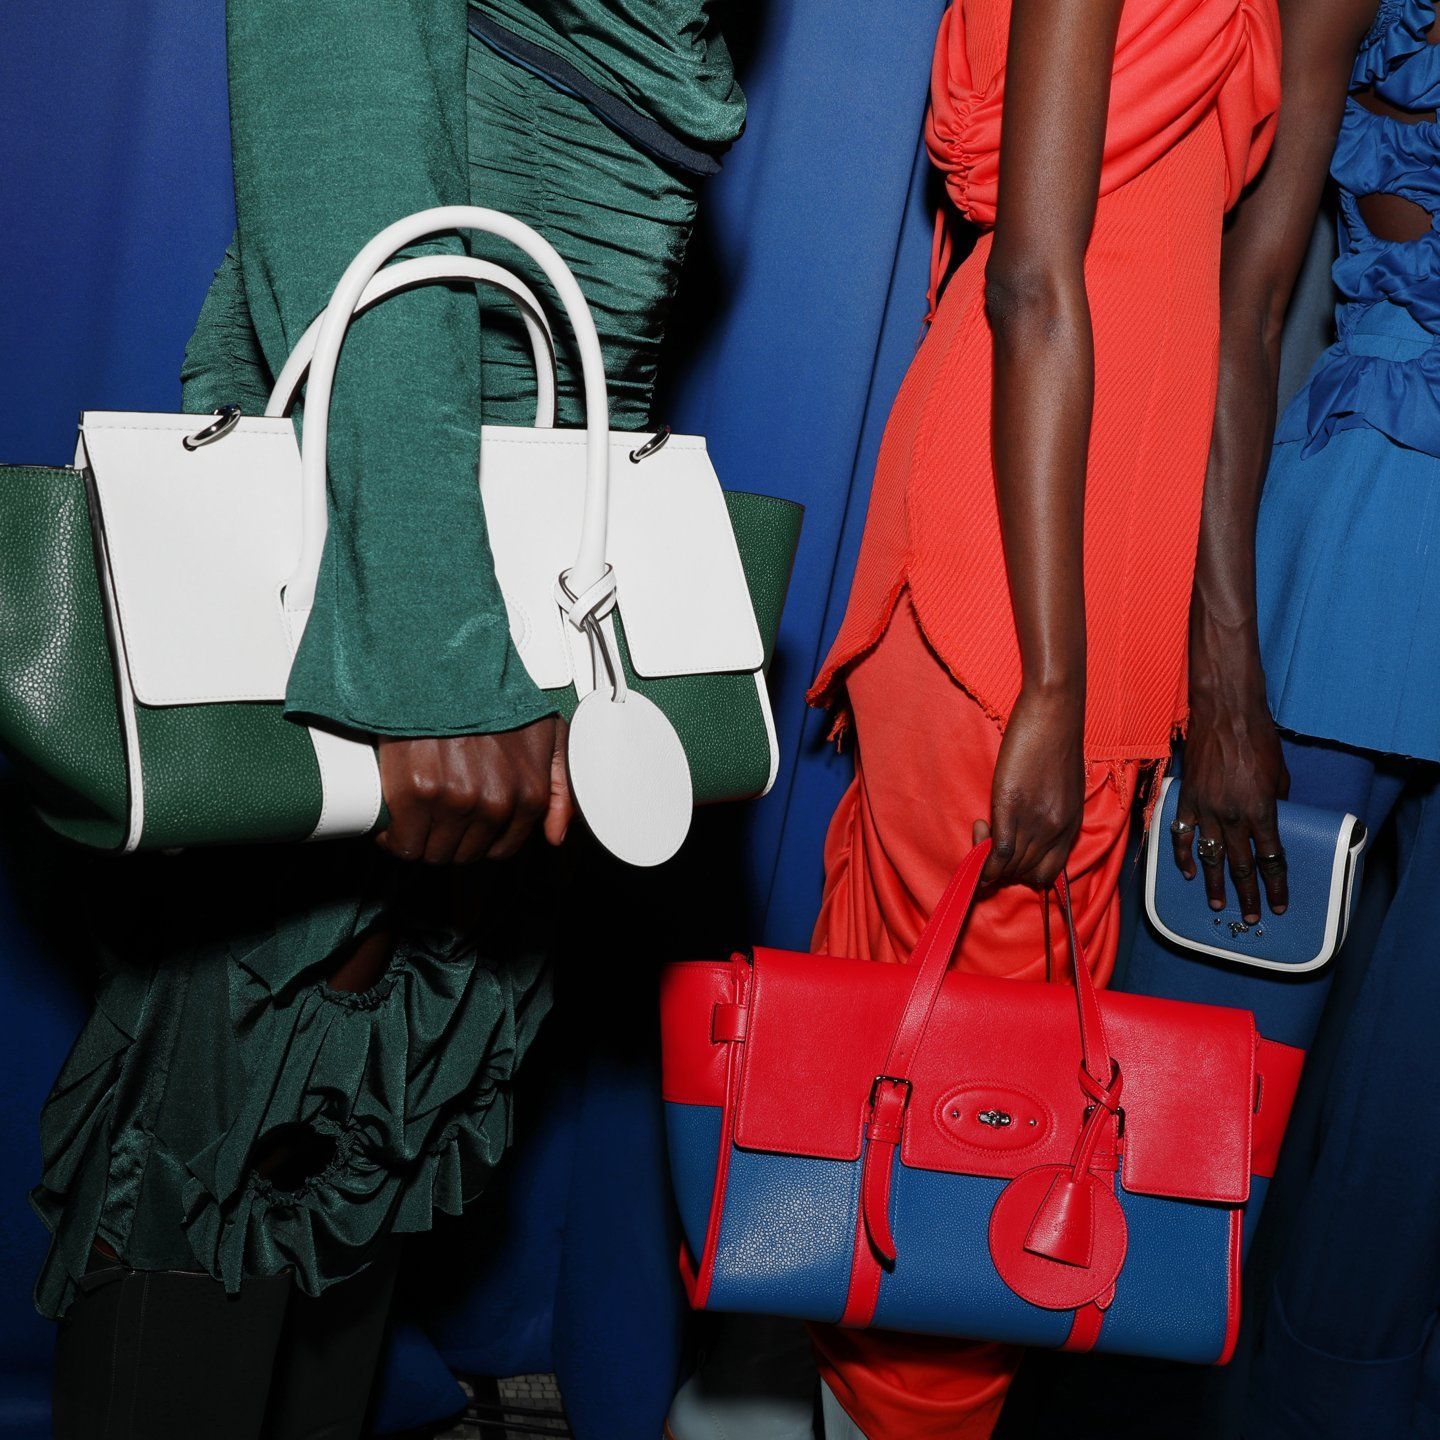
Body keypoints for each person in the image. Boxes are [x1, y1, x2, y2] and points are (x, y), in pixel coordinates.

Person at [33, 3, 742, 1436]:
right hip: (386, 565)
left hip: (533, 560)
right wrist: (429, 655)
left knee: (359, 1162)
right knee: (234, 1130)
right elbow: (345, 121)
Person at [801, 0, 1284, 1434]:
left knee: (971, 1111)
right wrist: (1057, 681)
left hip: (1100, 584)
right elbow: (1032, 285)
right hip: (1017, 584)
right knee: (959, 1134)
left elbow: (1232, 315)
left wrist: (1209, 653)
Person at [1124, 0, 1440, 1433]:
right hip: (1352, 570)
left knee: (1404, 1163)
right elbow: (1235, 308)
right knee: (1184, 1117)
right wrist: (1222, 670)